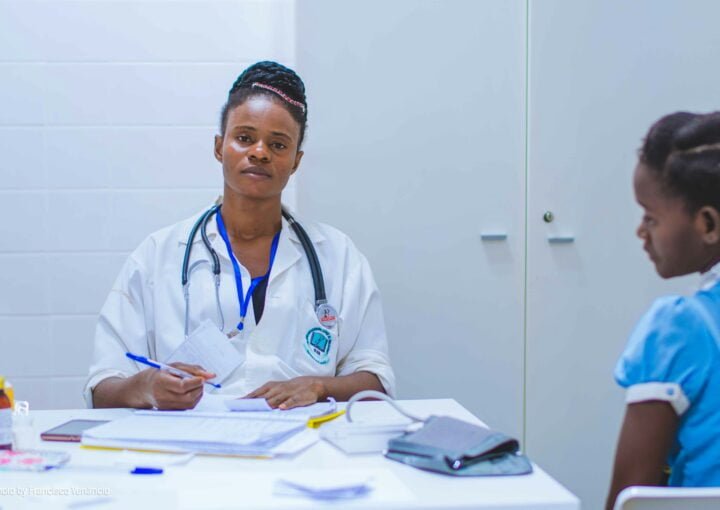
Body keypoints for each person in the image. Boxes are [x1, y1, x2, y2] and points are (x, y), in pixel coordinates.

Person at [85, 61, 395, 410]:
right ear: (219, 147)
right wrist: (146, 386)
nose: (260, 152)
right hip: (187, 454)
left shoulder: (338, 257)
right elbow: (102, 387)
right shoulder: (158, 255)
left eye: (278, 145)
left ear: (296, 161)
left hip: (305, 451)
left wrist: (319, 385)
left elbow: (375, 380)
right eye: (244, 138)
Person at [606, 111, 720, 509]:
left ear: (708, 224)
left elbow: (630, 496)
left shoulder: (678, 328)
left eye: (650, 216)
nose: (642, 231)